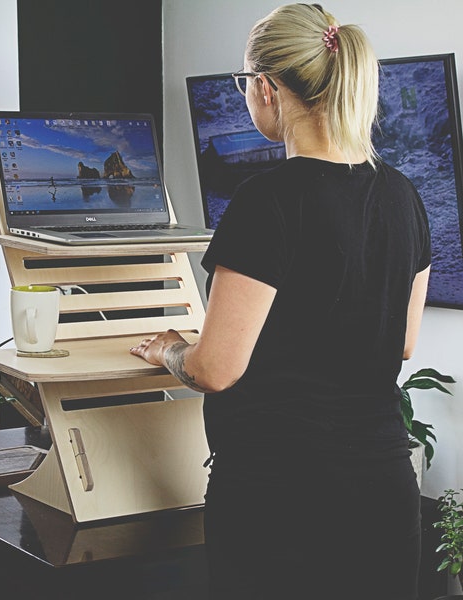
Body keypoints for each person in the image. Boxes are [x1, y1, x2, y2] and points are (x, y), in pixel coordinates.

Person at [130, 4, 431, 599]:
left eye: (244, 83)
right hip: (385, 489)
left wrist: (170, 350)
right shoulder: (403, 196)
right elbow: (402, 340)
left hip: (281, 496)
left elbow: (215, 368)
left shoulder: (266, 201)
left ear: (266, 88)